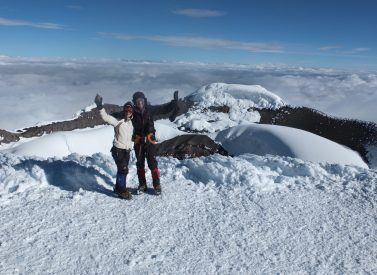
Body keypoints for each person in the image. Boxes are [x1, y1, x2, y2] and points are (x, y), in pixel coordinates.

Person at [94, 94, 134, 199]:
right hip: (118, 150)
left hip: (127, 150)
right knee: (123, 169)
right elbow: (106, 117)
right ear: (124, 111)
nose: (128, 112)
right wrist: (100, 106)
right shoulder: (118, 121)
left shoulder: (131, 123)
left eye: (130, 110)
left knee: (123, 170)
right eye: (126, 110)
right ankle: (121, 190)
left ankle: (119, 187)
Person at [131, 91, 161, 195]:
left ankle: (157, 185)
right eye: (137, 101)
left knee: (152, 163)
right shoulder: (132, 112)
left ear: (144, 101)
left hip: (149, 140)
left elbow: (163, 108)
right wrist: (101, 109)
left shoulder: (150, 109)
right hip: (138, 141)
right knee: (140, 164)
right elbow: (120, 115)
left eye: (141, 100)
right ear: (134, 103)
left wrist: (173, 103)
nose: (139, 103)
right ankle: (142, 185)